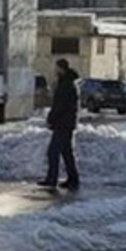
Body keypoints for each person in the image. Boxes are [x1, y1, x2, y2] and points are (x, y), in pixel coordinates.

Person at [40, 59, 80, 191]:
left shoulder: (66, 85)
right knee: (66, 152)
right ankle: (73, 179)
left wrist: (51, 119)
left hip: (63, 123)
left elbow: (59, 106)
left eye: (56, 67)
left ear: (61, 69)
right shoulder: (67, 83)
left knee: (53, 151)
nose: (54, 70)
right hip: (66, 123)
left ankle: (52, 179)